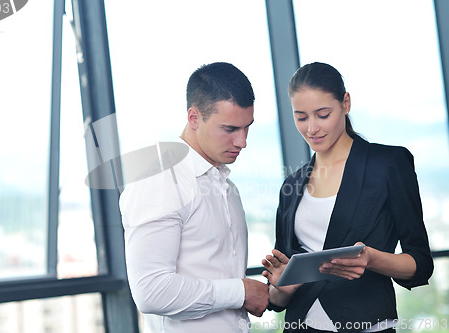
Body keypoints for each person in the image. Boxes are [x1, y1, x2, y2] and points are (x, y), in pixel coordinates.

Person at [261, 62, 433, 333]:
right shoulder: (291, 185)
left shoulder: (388, 164)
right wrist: (280, 287)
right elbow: (279, 294)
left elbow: (421, 263)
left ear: (346, 103)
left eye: (323, 114)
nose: (312, 129)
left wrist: (371, 259)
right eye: (301, 117)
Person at [120, 62, 270, 333]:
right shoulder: (160, 179)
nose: (243, 141)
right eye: (230, 129)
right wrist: (241, 292)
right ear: (194, 118)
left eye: (247, 127)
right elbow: (151, 291)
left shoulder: (226, 186)